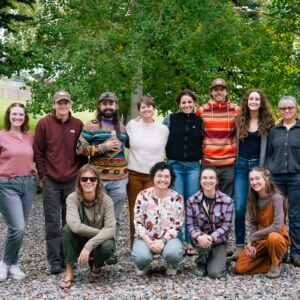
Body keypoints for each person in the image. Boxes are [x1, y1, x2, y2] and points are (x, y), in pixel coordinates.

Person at [34, 91, 83, 274]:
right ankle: (54, 261)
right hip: (51, 182)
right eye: (59, 103)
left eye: (66, 103)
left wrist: (78, 175)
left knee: (70, 222)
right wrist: (44, 176)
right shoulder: (44, 124)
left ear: (70, 104)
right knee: (52, 222)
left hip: (71, 180)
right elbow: (38, 152)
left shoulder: (77, 124)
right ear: (54, 105)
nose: (62, 106)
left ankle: (69, 258)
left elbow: (82, 152)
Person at [76, 92, 127, 263]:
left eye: (111, 103)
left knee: (115, 218)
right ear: (99, 106)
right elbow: (79, 149)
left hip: (120, 179)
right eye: (104, 103)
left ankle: (110, 250)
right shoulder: (91, 126)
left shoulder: (122, 127)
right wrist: (102, 148)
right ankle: (94, 249)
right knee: (96, 217)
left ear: (116, 106)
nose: (108, 106)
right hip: (98, 180)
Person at [232, 89, 275, 261]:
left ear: (261, 102)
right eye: (251, 98)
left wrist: (266, 170)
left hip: (259, 167)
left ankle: (259, 243)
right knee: (240, 207)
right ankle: (239, 245)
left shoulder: (268, 122)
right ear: (247, 101)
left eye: (257, 99)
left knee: (259, 207)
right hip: (241, 167)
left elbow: (270, 150)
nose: (254, 101)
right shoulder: (239, 120)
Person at [59, 164, 116, 289]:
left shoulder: (107, 200)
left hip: (98, 243)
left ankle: (96, 267)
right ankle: (69, 271)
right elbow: (75, 227)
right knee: (67, 229)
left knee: (108, 245)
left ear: (97, 181)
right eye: (84, 179)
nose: (88, 182)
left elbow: (111, 229)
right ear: (79, 182)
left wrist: (90, 245)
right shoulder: (72, 198)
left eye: (92, 179)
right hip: (79, 239)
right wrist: (102, 233)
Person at [163, 89, 204, 256]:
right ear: (179, 104)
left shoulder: (200, 121)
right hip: (176, 165)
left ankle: (191, 240)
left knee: (192, 204)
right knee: (177, 204)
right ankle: (178, 241)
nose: (187, 105)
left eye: (189, 102)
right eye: (183, 102)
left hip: (194, 166)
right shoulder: (170, 119)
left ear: (194, 103)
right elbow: (158, 133)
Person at [0, 103, 36, 281]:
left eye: (20, 114)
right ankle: (5, 263)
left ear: (25, 117)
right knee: (17, 227)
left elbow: (39, 156)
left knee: (18, 229)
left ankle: (13, 264)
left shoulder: (30, 137)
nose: (17, 117)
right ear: (9, 116)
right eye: (14, 114)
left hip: (28, 184)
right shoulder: (1, 136)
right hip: (7, 185)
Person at [126, 96, 169, 246]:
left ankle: (152, 243)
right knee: (134, 209)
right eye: (143, 107)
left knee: (151, 209)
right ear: (139, 110)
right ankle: (135, 244)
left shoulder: (163, 130)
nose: (146, 109)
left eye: (149, 106)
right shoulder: (132, 125)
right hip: (134, 174)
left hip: (153, 176)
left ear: (153, 108)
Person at [235, 167, 290, 278]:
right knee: (240, 268)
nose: (254, 182)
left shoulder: (277, 198)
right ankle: (269, 261)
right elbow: (253, 223)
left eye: (257, 178)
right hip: (261, 240)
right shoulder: (253, 198)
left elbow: (277, 226)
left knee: (273, 237)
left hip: (277, 237)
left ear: (266, 179)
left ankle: (275, 264)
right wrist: (251, 243)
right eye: (251, 179)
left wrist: (253, 237)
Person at [131, 162, 184, 276]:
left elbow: (177, 225)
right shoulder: (143, 195)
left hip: (168, 239)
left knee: (173, 253)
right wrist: (149, 242)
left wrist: (162, 241)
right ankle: (142, 265)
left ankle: (172, 264)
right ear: (153, 177)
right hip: (146, 238)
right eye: (159, 176)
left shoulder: (177, 198)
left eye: (166, 176)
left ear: (171, 178)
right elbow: (138, 222)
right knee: (142, 257)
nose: (162, 179)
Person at [266, 95, 300, 267]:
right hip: (277, 178)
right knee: (278, 215)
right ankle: (280, 250)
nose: (286, 111)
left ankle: (296, 252)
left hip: (296, 177)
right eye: (283, 108)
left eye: (290, 107)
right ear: (279, 110)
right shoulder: (274, 131)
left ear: (296, 108)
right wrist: (269, 170)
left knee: (296, 215)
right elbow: (269, 153)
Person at [195, 78, 240, 198]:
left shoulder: (236, 110)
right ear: (211, 92)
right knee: (207, 198)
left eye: (222, 89)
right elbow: (187, 120)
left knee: (226, 200)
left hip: (228, 164)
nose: (219, 92)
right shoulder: (201, 110)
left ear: (226, 92)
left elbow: (251, 120)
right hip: (208, 163)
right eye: (216, 90)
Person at [186, 166, 233, 279]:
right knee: (201, 244)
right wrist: (200, 236)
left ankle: (221, 259)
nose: (208, 181)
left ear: (217, 181)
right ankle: (201, 263)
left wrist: (211, 237)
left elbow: (226, 226)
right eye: (204, 178)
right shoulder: (192, 201)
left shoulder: (227, 201)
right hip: (200, 239)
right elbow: (191, 225)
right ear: (200, 180)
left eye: (211, 178)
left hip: (218, 240)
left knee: (215, 273)